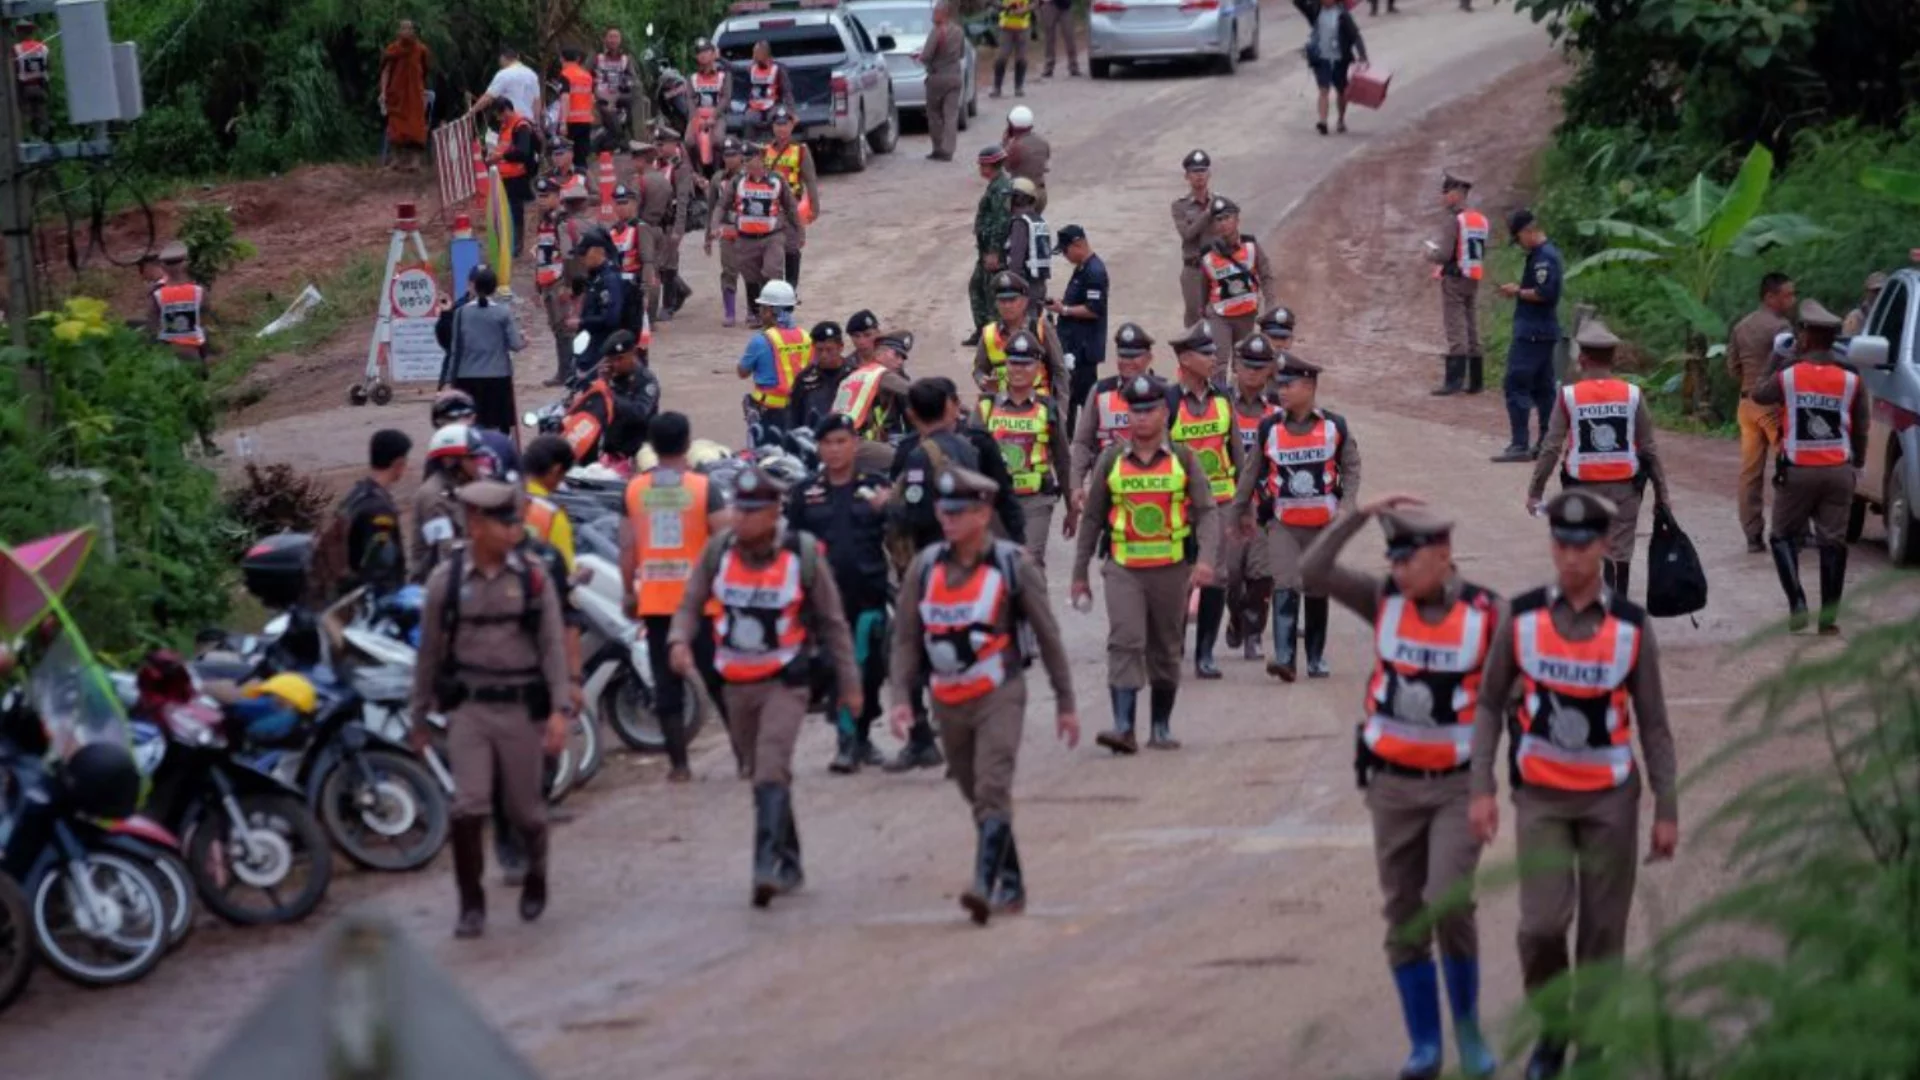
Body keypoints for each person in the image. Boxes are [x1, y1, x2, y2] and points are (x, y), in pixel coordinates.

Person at [1467, 489, 1681, 1080]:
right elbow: (1488, 705)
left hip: (1612, 799)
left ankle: (1591, 1046)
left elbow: (1655, 724)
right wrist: (1481, 786)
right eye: (1561, 543)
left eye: (1582, 545)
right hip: (1541, 797)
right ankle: (1552, 1030)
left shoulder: (1632, 629)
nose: (1570, 556)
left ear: (1605, 546)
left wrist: (1667, 806)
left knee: (1601, 933)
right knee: (1540, 928)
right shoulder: (1524, 615)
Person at [1299, 496, 1501, 1080]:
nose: (1396, 568)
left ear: (1442, 555)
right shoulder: (1384, 598)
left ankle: (1469, 1035)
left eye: (1406, 558)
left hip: (1457, 787)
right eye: (1391, 558)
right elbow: (1312, 572)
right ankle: (1426, 1047)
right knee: (1405, 914)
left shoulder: (1490, 614)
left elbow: (1513, 694)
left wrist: (1492, 783)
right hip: (1391, 786)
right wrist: (1358, 515)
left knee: (1448, 899)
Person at [891, 465, 1079, 924]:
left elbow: (1048, 635)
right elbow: (907, 638)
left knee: (993, 785)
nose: (949, 520)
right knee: (974, 791)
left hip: (999, 692)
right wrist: (900, 698)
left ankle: (983, 883)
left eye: (959, 512)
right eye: (944, 511)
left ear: (983, 513)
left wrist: (1066, 702)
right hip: (947, 697)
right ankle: (1011, 880)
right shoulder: (926, 566)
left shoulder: (1013, 565)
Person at [667, 465, 858, 908]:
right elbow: (691, 601)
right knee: (761, 773)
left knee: (770, 768)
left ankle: (764, 866)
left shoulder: (801, 556)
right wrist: (678, 639)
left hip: (785, 683)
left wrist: (850, 685)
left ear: (774, 513)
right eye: (740, 509)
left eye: (754, 511)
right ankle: (789, 859)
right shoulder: (719, 551)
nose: (742, 518)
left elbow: (833, 625)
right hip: (735, 685)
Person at [410, 480, 572, 938]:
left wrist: (560, 711)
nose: (515, 531)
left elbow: (552, 649)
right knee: (469, 806)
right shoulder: (446, 581)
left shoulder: (533, 576)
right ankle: (471, 903)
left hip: (522, 708)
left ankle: (536, 874)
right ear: (477, 525)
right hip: (470, 710)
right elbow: (429, 655)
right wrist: (418, 718)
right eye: (506, 523)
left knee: (528, 812)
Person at [1072, 374, 1221, 754]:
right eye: (1134, 411)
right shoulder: (1110, 460)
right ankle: (1123, 727)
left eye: (1149, 410)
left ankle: (1160, 726)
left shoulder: (1184, 459)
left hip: (1171, 570)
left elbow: (1207, 513)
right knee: (1125, 640)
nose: (1140, 418)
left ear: (1164, 412)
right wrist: (1079, 575)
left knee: (1166, 648)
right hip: (1123, 568)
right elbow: (1091, 520)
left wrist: (1205, 561)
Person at [1232, 353, 1362, 681]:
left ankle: (1316, 658)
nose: (1281, 392)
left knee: (1316, 588)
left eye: (1288, 385)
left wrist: (1348, 504)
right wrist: (1238, 513)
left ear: (1309, 386)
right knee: (1285, 584)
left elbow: (1351, 467)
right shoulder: (1269, 428)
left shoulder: (1335, 426)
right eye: (1279, 385)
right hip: (1282, 524)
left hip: (1323, 524)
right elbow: (1250, 475)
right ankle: (1286, 658)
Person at [624, 413, 735, 782]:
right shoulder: (705, 489)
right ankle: (744, 756)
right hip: (702, 601)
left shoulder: (634, 491)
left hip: (656, 602)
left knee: (665, 681)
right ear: (688, 444)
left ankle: (679, 766)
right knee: (719, 679)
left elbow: (627, 549)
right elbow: (723, 540)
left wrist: (629, 592)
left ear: (652, 448)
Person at [1527, 321, 1672, 598]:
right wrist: (1662, 495)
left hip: (1582, 491)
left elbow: (1551, 447)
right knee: (1620, 552)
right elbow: (1649, 448)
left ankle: (1588, 609)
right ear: (1613, 358)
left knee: (1584, 547)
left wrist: (1535, 491)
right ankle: (1618, 613)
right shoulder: (1632, 394)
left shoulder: (1568, 396)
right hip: (1625, 489)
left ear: (1582, 357)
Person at [1751, 300, 1869, 635]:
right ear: (1833, 337)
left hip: (1798, 470)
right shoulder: (1851, 379)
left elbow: (1758, 393)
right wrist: (1857, 463)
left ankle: (1798, 603)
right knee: (1833, 542)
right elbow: (1861, 427)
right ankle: (1828, 618)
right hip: (1838, 471)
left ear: (1804, 336)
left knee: (1782, 536)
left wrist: (1777, 355)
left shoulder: (1788, 375)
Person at [786, 414, 894, 773]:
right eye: (827, 443)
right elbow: (792, 546)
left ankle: (862, 737)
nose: (834, 450)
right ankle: (846, 744)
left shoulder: (876, 489)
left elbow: (899, 538)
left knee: (872, 670)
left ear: (855, 444)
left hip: (871, 593)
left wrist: (892, 509)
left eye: (841, 442)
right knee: (839, 669)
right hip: (825, 602)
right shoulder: (805, 494)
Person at [1165, 326, 1242, 681]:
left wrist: (1245, 507)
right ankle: (1175, 642)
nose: (1214, 358)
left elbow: (1238, 456)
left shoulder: (1224, 399)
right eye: (1206, 353)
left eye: (1214, 352)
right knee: (1179, 576)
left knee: (1216, 577)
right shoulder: (1167, 403)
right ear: (1184, 359)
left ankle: (1206, 653)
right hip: (1179, 506)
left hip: (1221, 502)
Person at [976, 331, 1070, 573]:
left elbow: (1062, 458)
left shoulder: (1047, 407)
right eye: (1012, 362)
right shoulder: (986, 406)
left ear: (1038, 368)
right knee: (994, 567)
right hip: (995, 501)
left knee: (1030, 563)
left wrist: (1072, 504)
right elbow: (969, 456)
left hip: (1036, 500)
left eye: (1026, 363)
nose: (1018, 369)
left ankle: (1036, 610)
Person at [1220, 335, 1281, 661]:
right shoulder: (1220, 405)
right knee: (1230, 573)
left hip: (1264, 502)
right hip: (1228, 501)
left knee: (1261, 572)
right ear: (1235, 366)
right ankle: (1235, 617)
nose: (1253, 374)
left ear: (1269, 369)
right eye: (1247, 366)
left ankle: (1254, 633)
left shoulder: (1277, 409)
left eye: (1260, 367)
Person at [1727, 271, 1797, 552]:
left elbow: (1732, 368)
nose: (1792, 300)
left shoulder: (1741, 326)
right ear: (1770, 297)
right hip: (1773, 407)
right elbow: (1789, 370)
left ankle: (1752, 534)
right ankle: (1789, 530)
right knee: (1789, 466)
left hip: (1746, 405)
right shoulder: (1782, 328)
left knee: (1750, 473)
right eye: (1787, 295)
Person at [1492, 210, 1563, 463]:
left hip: (1532, 333)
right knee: (1544, 389)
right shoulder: (1544, 254)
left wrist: (1518, 292)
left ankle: (1520, 444)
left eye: (1519, 237)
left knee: (1516, 383)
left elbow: (1545, 293)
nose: (1520, 243)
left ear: (1527, 231)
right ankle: (1545, 442)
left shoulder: (1544, 258)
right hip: (1542, 332)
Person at [318, 430, 413, 599]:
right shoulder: (379, 510)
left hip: (345, 590)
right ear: (399, 463)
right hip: (368, 600)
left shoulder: (357, 494)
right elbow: (381, 566)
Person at [709, 145, 802, 311]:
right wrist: (715, 226)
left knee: (772, 271)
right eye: (745, 160)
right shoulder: (738, 181)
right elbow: (721, 205)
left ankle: (776, 311)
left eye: (750, 159)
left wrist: (799, 232)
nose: (747, 163)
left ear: (760, 158)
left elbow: (791, 208)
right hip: (745, 239)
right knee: (751, 277)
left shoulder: (776, 180)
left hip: (772, 236)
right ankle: (755, 312)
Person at [1068, 322, 1157, 494]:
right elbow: (1082, 443)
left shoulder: (1164, 393)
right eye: (1123, 356)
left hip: (1150, 486)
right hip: (1106, 488)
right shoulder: (1100, 392)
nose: (1127, 362)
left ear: (1148, 358)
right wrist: (1076, 485)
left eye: (1134, 357)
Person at [437, 266, 525, 433]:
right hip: (498, 377)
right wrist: (524, 340)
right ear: (495, 287)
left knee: (470, 425)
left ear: (474, 286)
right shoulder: (503, 312)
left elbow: (454, 350)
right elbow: (516, 344)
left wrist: (448, 381)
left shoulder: (461, 313)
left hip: (467, 378)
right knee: (500, 427)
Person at [1427, 172, 1490, 397]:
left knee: (1456, 328)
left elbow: (1444, 253)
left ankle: (1453, 381)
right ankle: (1476, 381)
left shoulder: (1455, 220)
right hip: (1472, 277)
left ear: (1455, 194)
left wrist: (1430, 254)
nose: (1443, 198)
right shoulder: (1479, 220)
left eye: (1446, 193)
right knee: (1472, 326)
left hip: (1454, 278)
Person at [562, 329, 660, 467]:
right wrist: (601, 383)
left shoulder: (646, 381)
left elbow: (639, 413)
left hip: (637, 448)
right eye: (611, 360)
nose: (615, 364)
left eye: (620, 359)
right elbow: (587, 403)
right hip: (608, 447)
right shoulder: (606, 375)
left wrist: (607, 393)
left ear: (633, 353)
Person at [1048, 224, 1110, 436]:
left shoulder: (1094, 271)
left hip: (1084, 350)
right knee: (1072, 397)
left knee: (1082, 399)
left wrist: (1064, 309)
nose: (1065, 256)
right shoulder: (1083, 268)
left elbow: (1094, 310)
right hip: (1074, 346)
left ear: (1078, 244)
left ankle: (1085, 441)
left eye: (1065, 250)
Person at [831, 316, 916, 471]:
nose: (900, 362)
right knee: (910, 461)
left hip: (836, 439)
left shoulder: (858, 374)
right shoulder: (881, 374)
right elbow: (918, 392)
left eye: (902, 357)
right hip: (853, 442)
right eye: (896, 355)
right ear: (879, 355)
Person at [1202, 198, 1278, 364]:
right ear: (1213, 225)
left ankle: (1238, 390)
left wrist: (1270, 306)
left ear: (1237, 220)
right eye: (1218, 219)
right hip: (1220, 315)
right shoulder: (1206, 255)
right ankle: (1219, 391)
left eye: (1227, 218)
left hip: (1247, 315)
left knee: (1243, 363)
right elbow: (1202, 291)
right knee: (1218, 363)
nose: (1223, 223)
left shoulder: (1251, 246)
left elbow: (1266, 276)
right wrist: (1204, 318)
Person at [974, 271, 1066, 400]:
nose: (1007, 305)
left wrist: (1060, 414)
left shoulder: (1040, 328)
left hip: (1039, 408)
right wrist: (983, 381)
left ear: (1025, 301)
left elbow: (1060, 371)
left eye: (1012, 300)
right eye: (1002, 300)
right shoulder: (989, 333)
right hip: (1002, 409)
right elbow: (979, 370)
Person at [737, 279, 810, 440]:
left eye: (762, 308)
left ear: (770, 311)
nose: (760, 313)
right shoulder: (805, 337)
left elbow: (742, 372)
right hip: (798, 412)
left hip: (768, 412)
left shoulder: (761, 340)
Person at [411, 424, 481, 584]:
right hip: (437, 587)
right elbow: (444, 550)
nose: (478, 462)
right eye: (471, 457)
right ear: (450, 461)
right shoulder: (433, 497)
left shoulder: (463, 488)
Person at [764, 107, 821, 289]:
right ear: (773, 127)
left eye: (785, 125)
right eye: (778, 125)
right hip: (770, 208)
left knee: (792, 248)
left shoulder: (801, 151)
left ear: (791, 126)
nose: (781, 129)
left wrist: (815, 206)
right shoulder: (764, 150)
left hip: (792, 208)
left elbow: (810, 180)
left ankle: (791, 289)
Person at [968, 146, 1016, 344]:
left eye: (982, 164)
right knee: (977, 287)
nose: (980, 167)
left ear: (991, 165)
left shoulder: (1001, 188)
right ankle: (982, 331)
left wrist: (994, 251)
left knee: (991, 293)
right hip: (986, 250)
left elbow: (1001, 222)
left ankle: (993, 335)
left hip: (993, 252)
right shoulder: (995, 185)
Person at [1295, 0, 1365, 135]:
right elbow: (1300, 4)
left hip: (1340, 59)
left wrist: (1363, 56)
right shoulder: (1315, 11)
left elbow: (1355, 36)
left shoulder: (1343, 15)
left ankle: (1341, 119)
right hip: (1321, 58)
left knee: (1341, 90)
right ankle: (1323, 122)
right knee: (1323, 90)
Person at [481, 98, 538, 257]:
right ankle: (506, 245)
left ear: (506, 109)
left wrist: (500, 157)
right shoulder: (505, 126)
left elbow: (522, 152)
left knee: (515, 212)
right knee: (503, 213)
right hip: (504, 176)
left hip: (517, 177)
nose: (499, 119)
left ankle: (516, 247)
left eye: (500, 115)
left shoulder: (521, 126)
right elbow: (504, 147)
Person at [568, 227, 626, 374]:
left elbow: (611, 319)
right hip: (592, 348)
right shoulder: (595, 277)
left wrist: (581, 322)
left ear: (597, 251)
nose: (581, 259)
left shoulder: (609, 279)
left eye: (584, 254)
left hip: (602, 352)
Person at [1172, 150, 1220, 327]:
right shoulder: (1180, 206)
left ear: (1209, 174)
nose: (1199, 175)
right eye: (1194, 172)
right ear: (1187, 176)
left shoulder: (1220, 203)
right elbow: (1187, 234)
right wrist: (1208, 214)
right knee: (1195, 321)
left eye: (1202, 171)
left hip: (1218, 268)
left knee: (1219, 318)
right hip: (1194, 269)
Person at [380, 20, 431, 172]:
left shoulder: (421, 50)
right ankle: (395, 160)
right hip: (397, 95)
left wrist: (422, 90)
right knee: (395, 127)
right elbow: (386, 71)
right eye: (403, 28)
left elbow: (425, 71)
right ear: (398, 32)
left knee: (416, 128)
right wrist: (383, 92)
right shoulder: (393, 49)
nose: (406, 31)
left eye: (409, 28)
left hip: (414, 95)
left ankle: (415, 162)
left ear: (414, 31)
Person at [919, 3, 968, 161]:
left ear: (942, 14)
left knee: (934, 114)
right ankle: (949, 149)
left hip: (938, 77)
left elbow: (926, 55)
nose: (933, 16)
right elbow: (961, 54)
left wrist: (920, 59)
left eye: (935, 13)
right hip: (955, 76)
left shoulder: (937, 32)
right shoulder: (959, 31)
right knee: (951, 115)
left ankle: (938, 148)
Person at [708, 138, 749, 327]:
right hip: (727, 229)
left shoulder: (749, 176)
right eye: (726, 155)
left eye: (733, 155)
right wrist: (708, 235)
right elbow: (712, 208)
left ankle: (753, 310)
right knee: (728, 270)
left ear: (741, 156)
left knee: (752, 272)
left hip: (749, 229)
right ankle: (730, 312)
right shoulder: (718, 179)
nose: (730, 159)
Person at [789, 320, 852, 433]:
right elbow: (794, 417)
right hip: (814, 442)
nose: (823, 355)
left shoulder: (855, 375)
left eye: (829, 350)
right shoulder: (804, 379)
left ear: (840, 347)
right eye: (819, 350)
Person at [685, 39, 733, 176]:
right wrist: (695, 118)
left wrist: (713, 117)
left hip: (717, 116)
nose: (703, 55)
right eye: (699, 52)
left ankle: (719, 172)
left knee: (717, 140)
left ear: (713, 54)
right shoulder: (692, 77)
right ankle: (696, 174)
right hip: (697, 116)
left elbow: (725, 98)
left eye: (706, 51)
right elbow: (690, 99)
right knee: (689, 142)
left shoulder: (724, 75)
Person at [465, 45, 542, 128]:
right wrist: (536, 123)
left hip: (510, 123)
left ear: (503, 58)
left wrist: (470, 113)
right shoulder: (532, 75)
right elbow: (537, 102)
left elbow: (488, 97)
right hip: (527, 123)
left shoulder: (504, 74)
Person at [1004, 180, 1051, 305]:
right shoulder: (1039, 221)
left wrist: (1010, 288)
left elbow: (1016, 259)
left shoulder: (1020, 222)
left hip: (1025, 286)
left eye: (1011, 197)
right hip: (1040, 285)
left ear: (1018, 198)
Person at [742, 41, 795, 144]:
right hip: (755, 106)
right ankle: (750, 150)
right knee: (748, 119)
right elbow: (735, 69)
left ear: (764, 54)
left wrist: (792, 112)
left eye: (755, 53)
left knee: (778, 120)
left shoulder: (778, 68)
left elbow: (787, 91)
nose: (753, 56)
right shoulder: (751, 68)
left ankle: (777, 147)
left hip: (773, 104)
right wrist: (720, 59)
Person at [592, 27, 636, 147]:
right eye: (610, 37)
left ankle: (631, 137)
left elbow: (633, 79)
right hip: (601, 97)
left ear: (620, 40)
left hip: (619, 95)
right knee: (614, 128)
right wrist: (595, 91)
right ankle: (614, 140)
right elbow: (586, 76)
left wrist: (627, 83)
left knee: (632, 99)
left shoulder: (626, 59)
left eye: (616, 37)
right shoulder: (597, 58)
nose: (613, 40)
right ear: (605, 39)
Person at [1003, 106, 1050, 213]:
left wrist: (1005, 143)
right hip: (1041, 192)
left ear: (1012, 126)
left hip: (1024, 195)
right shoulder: (1042, 142)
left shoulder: (1016, 146)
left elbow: (1007, 167)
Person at [558, 49, 597, 167]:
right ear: (577, 59)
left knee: (566, 155)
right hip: (585, 120)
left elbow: (565, 98)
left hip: (571, 121)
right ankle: (581, 180)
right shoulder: (587, 75)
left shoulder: (565, 74)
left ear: (562, 59)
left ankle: (570, 182)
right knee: (581, 157)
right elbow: (592, 98)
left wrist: (563, 122)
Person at [11, 20, 49, 136]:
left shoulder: (16, 49)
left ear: (20, 32)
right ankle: (43, 138)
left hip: (24, 88)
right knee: (41, 117)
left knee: (25, 118)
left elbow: (14, 69)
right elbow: (49, 67)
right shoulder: (43, 47)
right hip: (40, 86)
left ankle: (27, 138)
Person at [993, 0, 1035, 98]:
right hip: (1006, 28)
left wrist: (1025, 9)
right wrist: (1005, 7)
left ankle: (1018, 87)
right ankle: (997, 87)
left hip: (1023, 27)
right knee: (1002, 57)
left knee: (1021, 58)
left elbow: (1037, 3)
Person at [1039, 0, 1082, 78]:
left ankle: (1073, 66)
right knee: (1049, 38)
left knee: (1069, 36)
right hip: (1049, 5)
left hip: (1064, 6)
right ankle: (1049, 66)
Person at [1841, 270, 1886, 338]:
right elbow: (1849, 343)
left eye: (1882, 291)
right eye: (1875, 291)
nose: (1879, 294)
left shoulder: (1889, 314)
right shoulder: (1856, 317)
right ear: (1867, 292)